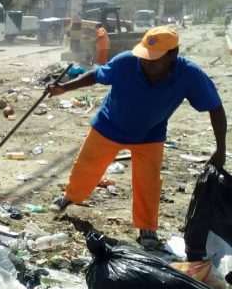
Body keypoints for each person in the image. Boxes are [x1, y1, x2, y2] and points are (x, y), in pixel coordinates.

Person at [48, 27, 226, 248]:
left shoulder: (189, 75)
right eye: (144, 56)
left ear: (173, 54)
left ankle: (147, 228)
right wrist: (64, 88)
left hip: (149, 134)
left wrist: (220, 149)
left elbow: (215, 108)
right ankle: (70, 197)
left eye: (154, 59)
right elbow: (96, 74)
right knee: (86, 165)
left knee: (148, 182)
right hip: (108, 125)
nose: (146, 62)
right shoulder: (126, 62)